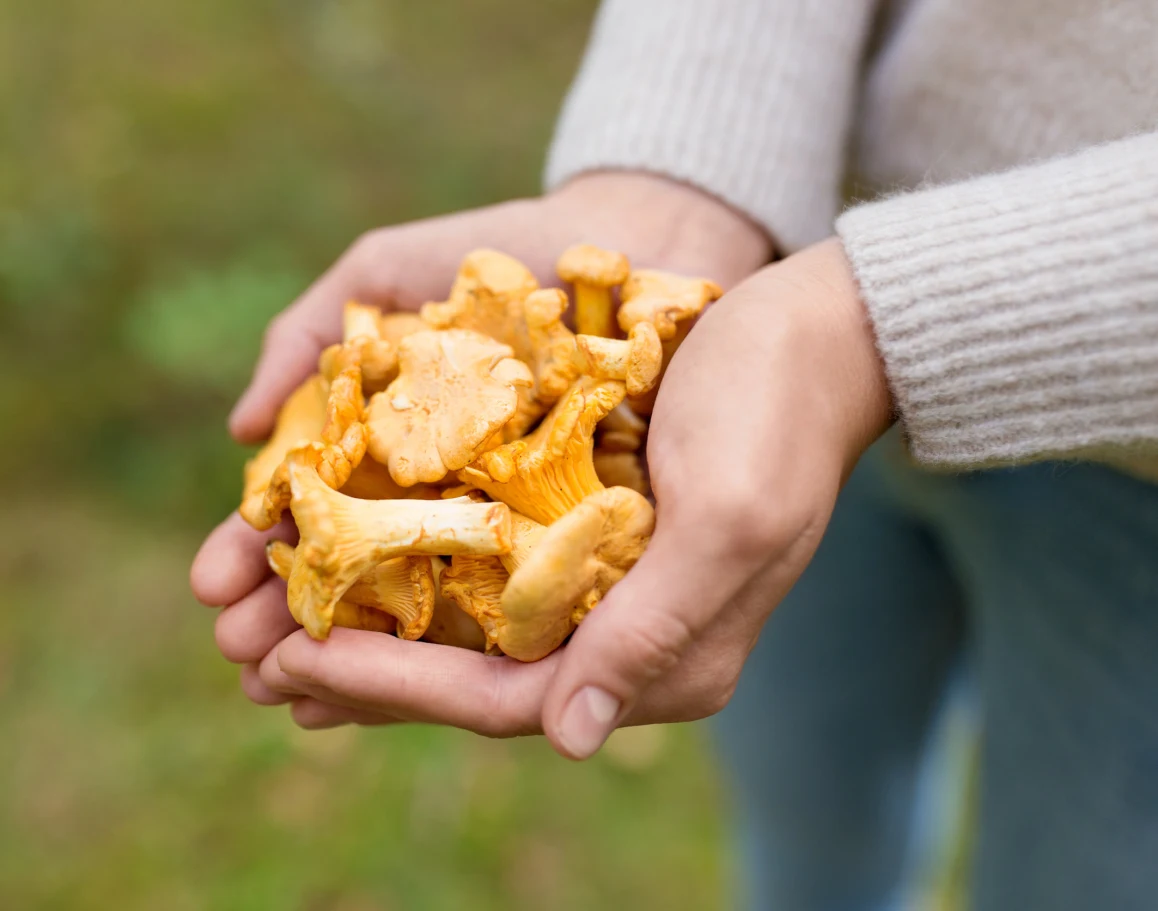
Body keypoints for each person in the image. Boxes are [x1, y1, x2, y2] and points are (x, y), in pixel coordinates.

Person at [191, 1, 1158, 907]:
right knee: (801, 782)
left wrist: (870, 326)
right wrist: (684, 173)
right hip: (760, 346)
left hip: (1125, 459)